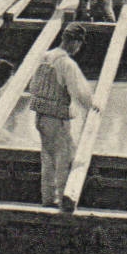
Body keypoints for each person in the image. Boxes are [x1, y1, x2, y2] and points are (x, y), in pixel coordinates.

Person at [27, 24, 100, 207]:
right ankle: (63, 200)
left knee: (47, 158)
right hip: (56, 119)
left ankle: (47, 199)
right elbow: (80, 93)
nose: (78, 48)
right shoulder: (67, 63)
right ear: (74, 42)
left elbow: (32, 87)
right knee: (64, 157)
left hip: (40, 117)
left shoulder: (44, 57)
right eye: (79, 44)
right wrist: (93, 106)